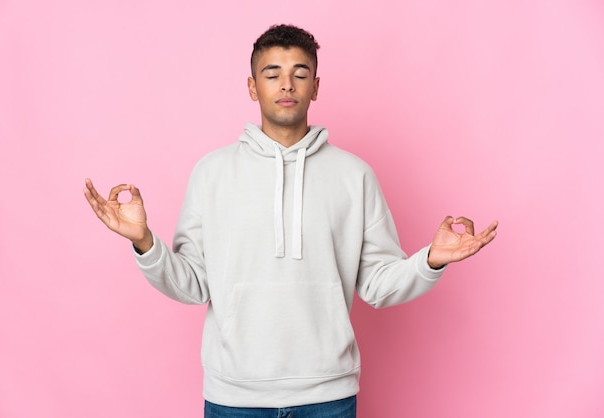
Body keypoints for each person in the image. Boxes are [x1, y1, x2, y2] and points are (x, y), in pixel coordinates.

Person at [83, 24, 498, 418]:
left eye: (300, 74)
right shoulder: (211, 172)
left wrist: (431, 260)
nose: (286, 85)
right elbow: (192, 284)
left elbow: (377, 284)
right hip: (234, 395)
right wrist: (145, 243)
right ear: (252, 86)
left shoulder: (355, 176)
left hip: (328, 395)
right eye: (272, 74)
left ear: (315, 87)